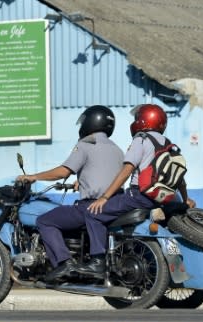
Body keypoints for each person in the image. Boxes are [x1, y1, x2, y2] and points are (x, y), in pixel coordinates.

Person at [77, 103, 196, 278]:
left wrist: (104, 197)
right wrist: (185, 198)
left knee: (93, 212)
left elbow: (126, 170)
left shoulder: (141, 139)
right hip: (162, 199)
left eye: (137, 118)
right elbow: (179, 177)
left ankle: (97, 262)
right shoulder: (169, 144)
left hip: (139, 196)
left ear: (143, 121)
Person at [16, 105, 124, 283]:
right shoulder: (116, 149)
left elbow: (63, 172)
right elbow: (105, 174)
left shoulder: (85, 144)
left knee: (44, 221)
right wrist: (81, 183)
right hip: (113, 204)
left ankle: (64, 263)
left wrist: (33, 177)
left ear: (90, 122)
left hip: (91, 206)